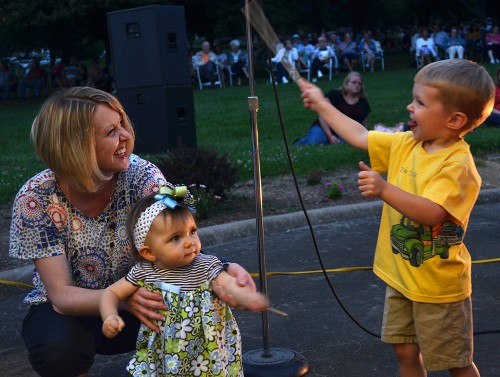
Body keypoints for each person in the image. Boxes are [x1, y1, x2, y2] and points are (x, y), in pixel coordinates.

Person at [9, 86, 259, 377]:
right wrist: (122, 299)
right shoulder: (35, 198)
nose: (126, 136)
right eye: (111, 132)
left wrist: (222, 270)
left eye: (123, 125)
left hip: (143, 296)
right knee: (56, 350)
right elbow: (61, 295)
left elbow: (181, 246)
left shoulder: (143, 178)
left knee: (194, 302)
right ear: (75, 146)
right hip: (76, 311)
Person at [299, 59, 494, 377]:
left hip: (438, 288)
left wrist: (384, 190)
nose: (409, 106)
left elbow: (433, 213)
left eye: (420, 102)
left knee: (454, 362)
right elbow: (360, 135)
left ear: (454, 119)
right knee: (404, 349)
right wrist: (322, 104)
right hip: (401, 277)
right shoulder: (407, 143)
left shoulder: (458, 166)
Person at [100, 190, 267, 376]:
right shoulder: (145, 272)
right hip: (165, 353)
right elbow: (111, 293)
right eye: (175, 238)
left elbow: (227, 283)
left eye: (192, 232)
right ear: (149, 253)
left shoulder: (205, 265)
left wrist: (247, 297)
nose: (189, 242)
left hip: (207, 352)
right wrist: (109, 316)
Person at [294, 71, 370, 145]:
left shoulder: (363, 102)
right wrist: (330, 136)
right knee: (314, 142)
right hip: (325, 127)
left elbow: (363, 122)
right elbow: (322, 116)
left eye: (359, 84)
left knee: (345, 143)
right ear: (346, 84)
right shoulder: (334, 95)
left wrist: (365, 136)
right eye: (354, 82)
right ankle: (301, 142)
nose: (357, 85)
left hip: (344, 131)